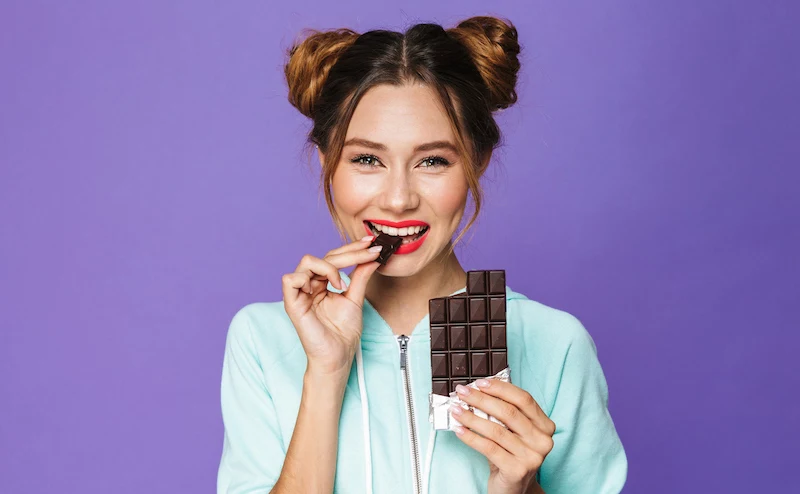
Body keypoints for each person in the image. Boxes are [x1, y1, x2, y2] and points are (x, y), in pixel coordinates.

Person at [217, 16, 627, 494]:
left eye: (433, 161)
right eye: (366, 159)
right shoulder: (262, 340)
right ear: (328, 161)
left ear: (477, 161)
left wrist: (521, 488)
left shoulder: (555, 343)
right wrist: (326, 374)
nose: (398, 199)